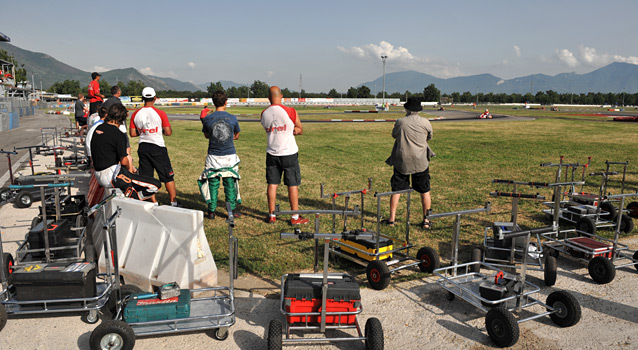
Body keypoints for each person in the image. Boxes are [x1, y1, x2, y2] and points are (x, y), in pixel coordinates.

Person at [90, 104, 160, 201]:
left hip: (98, 174)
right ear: (122, 119)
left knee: (133, 181)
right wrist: (130, 169)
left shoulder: (98, 129)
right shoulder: (119, 134)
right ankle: (136, 197)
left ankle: (131, 194)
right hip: (111, 175)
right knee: (155, 185)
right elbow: (124, 161)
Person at [384, 96, 434, 229]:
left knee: (396, 190)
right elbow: (429, 137)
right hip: (420, 161)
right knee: (425, 190)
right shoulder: (426, 122)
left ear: (407, 108)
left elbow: (394, 135)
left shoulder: (400, 122)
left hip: (402, 161)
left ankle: (391, 220)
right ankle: (426, 221)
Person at [260, 86, 308, 225]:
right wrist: (294, 131)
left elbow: (268, 129)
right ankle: (294, 217)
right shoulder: (290, 111)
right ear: (281, 96)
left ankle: (272, 215)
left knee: (272, 184)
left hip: (272, 152)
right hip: (288, 153)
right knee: (292, 184)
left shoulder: (264, 113)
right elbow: (300, 129)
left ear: (268, 97)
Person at [129, 87, 178, 206]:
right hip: (157, 146)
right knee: (167, 176)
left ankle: (153, 202)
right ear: (155, 98)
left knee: (147, 178)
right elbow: (168, 132)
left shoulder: (135, 114)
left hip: (143, 146)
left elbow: (132, 133)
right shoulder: (160, 113)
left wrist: (145, 131)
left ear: (142, 99)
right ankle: (173, 201)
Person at [197, 90, 242, 219]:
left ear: (213, 102)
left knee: (212, 184)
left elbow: (207, 135)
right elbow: (236, 136)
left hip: (213, 156)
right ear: (226, 102)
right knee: (230, 185)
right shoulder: (232, 118)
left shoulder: (207, 119)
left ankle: (211, 212)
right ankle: (231, 211)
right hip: (229, 156)